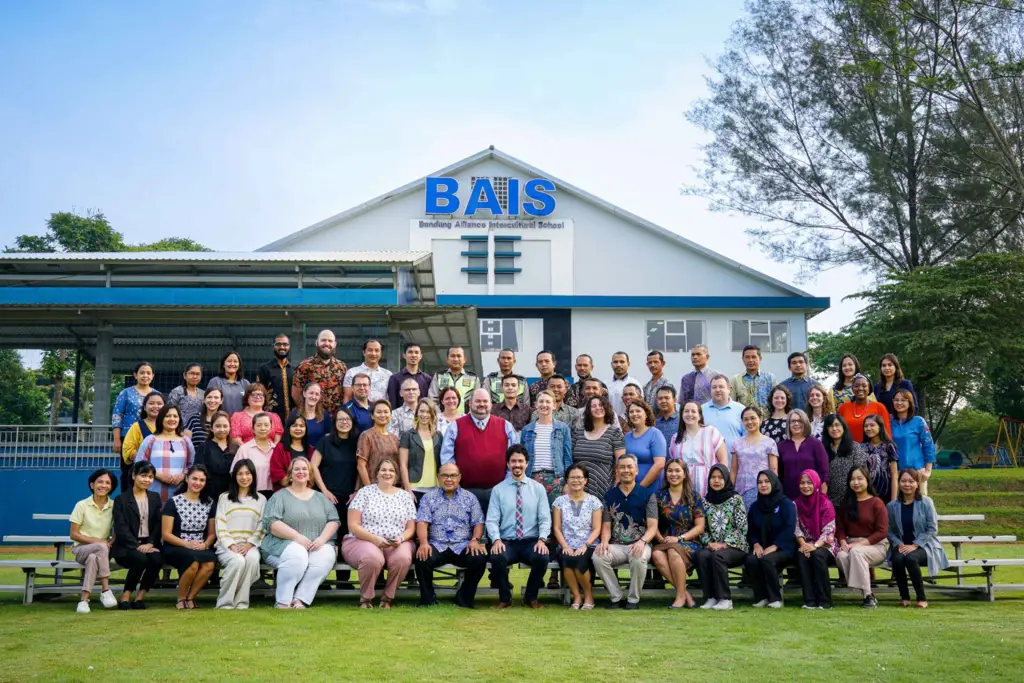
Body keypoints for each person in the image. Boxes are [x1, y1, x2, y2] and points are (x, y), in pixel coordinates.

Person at [261, 456, 340, 608]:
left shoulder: (321, 498)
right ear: (290, 474)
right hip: (282, 544)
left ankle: (301, 599)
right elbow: (272, 523)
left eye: (304, 469)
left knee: (325, 557)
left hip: (316, 543)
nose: (301, 472)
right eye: (297, 469)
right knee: (298, 556)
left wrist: (322, 539)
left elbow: (334, 520)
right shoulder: (280, 496)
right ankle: (283, 601)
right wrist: (297, 537)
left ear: (310, 474)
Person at [343, 458, 417, 608]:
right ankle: (366, 598)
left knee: (402, 558)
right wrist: (374, 539)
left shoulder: (405, 496)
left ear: (396, 475)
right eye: (383, 470)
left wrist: (401, 538)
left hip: (396, 542)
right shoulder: (365, 493)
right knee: (372, 558)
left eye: (391, 470)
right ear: (376, 474)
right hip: (363, 540)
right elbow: (353, 525)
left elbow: (411, 528)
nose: (387, 473)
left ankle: (387, 597)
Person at [485, 445, 552, 609]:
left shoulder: (538, 489)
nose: (517, 465)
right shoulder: (498, 490)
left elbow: (545, 517)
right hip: (507, 541)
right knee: (497, 556)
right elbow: (492, 519)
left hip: (531, 541)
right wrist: (496, 540)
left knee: (542, 557)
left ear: (527, 463)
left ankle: (530, 597)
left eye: (521, 461)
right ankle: (505, 599)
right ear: (508, 464)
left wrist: (542, 539)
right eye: (513, 461)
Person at [414, 462, 488, 608]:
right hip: (437, 544)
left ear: (459, 477)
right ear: (438, 477)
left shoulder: (470, 498)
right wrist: (423, 543)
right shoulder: (429, 498)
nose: (449, 479)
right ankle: (428, 600)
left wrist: (475, 540)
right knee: (422, 558)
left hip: (462, 545)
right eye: (445, 475)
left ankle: (464, 598)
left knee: (479, 558)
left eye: (453, 475)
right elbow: (422, 522)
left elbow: (478, 522)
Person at [593, 454, 657, 610]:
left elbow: (653, 526)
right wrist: (604, 542)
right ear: (617, 471)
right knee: (598, 556)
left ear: (636, 470)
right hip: (617, 545)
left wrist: (642, 542)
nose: (626, 470)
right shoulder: (610, 495)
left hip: (640, 543)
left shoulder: (647, 495)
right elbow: (607, 525)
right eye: (622, 467)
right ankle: (616, 597)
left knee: (638, 558)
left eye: (629, 467)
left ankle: (633, 600)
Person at [439, 388, 518, 512]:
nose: (482, 404)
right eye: (478, 401)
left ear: (491, 404)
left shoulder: (505, 426)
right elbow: (447, 459)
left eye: (485, 401)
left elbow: (514, 458)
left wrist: (507, 484)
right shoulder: (455, 426)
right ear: (470, 403)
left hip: (498, 491)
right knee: (467, 530)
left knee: (495, 529)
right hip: (465, 492)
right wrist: (455, 484)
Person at [310, 406, 360, 588]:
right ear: (335, 423)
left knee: (346, 538)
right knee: (325, 538)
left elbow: (360, 469)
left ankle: (343, 581)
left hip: (349, 498)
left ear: (352, 422)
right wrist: (324, 491)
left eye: (347, 419)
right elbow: (313, 465)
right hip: (327, 497)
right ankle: (321, 579)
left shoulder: (357, 442)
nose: (344, 422)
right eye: (340, 420)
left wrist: (356, 491)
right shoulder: (326, 441)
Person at [887, 469, 949, 608]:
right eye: (903, 481)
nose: (907, 484)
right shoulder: (892, 506)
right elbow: (889, 530)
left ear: (917, 484)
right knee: (897, 559)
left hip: (925, 546)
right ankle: (904, 597)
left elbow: (932, 528)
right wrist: (898, 544)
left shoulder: (926, 502)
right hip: (901, 545)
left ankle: (921, 598)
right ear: (898, 483)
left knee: (910, 558)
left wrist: (915, 545)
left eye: (911, 481)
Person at [161, 465, 217, 610]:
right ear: (186, 479)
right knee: (192, 562)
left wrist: (205, 545)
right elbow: (166, 534)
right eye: (194, 478)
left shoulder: (209, 503)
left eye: (202, 480)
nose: (197, 483)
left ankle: (191, 597)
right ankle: (181, 598)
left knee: (209, 564)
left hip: (200, 545)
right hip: (176, 544)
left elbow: (212, 533)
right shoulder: (173, 502)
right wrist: (187, 544)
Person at [651, 459, 706, 609]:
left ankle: (680, 597)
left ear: (684, 475)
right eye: (670, 471)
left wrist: (680, 538)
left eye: (677, 471)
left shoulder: (694, 497)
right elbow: (652, 524)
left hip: (689, 542)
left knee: (673, 550)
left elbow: (700, 527)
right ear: (666, 474)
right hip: (664, 541)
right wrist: (661, 539)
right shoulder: (657, 496)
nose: (673, 474)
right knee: (657, 554)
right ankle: (685, 593)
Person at [214, 459, 266, 609]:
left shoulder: (261, 499)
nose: (244, 477)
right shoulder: (225, 498)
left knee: (252, 559)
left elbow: (262, 526)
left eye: (247, 473)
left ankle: (242, 602)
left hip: (250, 545)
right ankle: (225, 602)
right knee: (237, 561)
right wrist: (231, 545)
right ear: (234, 477)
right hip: (227, 545)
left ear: (253, 476)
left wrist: (250, 544)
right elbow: (220, 524)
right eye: (240, 474)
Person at [695, 464, 748, 610]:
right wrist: (709, 543)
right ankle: (710, 597)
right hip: (713, 546)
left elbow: (741, 528)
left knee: (717, 557)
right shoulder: (705, 501)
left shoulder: (736, 499)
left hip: (735, 547)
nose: (716, 481)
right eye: (713, 477)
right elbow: (702, 529)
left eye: (720, 477)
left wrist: (724, 544)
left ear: (726, 479)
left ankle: (725, 599)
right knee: (701, 556)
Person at [111, 461, 163, 609]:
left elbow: (158, 523)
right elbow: (121, 527)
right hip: (126, 546)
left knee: (156, 559)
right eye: (143, 475)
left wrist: (151, 543)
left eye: (151, 477)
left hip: (149, 544)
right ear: (134, 475)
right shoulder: (121, 499)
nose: (147, 480)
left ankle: (139, 598)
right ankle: (126, 595)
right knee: (140, 559)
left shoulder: (155, 497)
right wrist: (137, 546)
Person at [836, 466, 889, 608]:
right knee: (841, 556)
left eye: (860, 478)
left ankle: (868, 596)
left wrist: (859, 544)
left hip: (875, 546)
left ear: (867, 480)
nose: (856, 482)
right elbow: (839, 527)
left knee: (856, 552)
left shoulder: (877, 502)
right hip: (850, 544)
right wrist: (842, 542)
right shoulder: (846, 503)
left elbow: (882, 531)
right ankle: (864, 591)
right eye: (852, 479)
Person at [552, 463, 603, 610]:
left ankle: (588, 595)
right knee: (567, 558)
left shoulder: (594, 501)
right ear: (567, 480)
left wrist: (585, 545)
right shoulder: (559, 502)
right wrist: (565, 546)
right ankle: (577, 596)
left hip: (588, 543)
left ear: (585, 480)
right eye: (572, 477)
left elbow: (597, 528)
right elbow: (557, 528)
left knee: (580, 560)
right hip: (566, 543)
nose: (576, 480)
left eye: (579, 477)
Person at [744, 470, 796, 608]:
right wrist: (755, 544)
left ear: (773, 483)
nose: (763, 485)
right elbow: (750, 529)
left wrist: (775, 546)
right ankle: (761, 597)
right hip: (762, 546)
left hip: (784, 548)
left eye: (767, 481)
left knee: (768, 560)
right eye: (760, 482)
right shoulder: (755, 506)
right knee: (752, 559)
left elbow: (789, 528)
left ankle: (775, 599)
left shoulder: (786, 504)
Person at [70, 469, 119, 613]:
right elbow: (74, 534)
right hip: (81, 549)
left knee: (93, 558)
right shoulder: (82, 505)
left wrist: (112, 540)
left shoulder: (114, 506)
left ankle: (84, 601)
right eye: (100, 482)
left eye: (107, 483)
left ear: (112, 487)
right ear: (92, 485)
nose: (103, 485)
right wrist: (98, 541)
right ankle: (106, 590)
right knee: (100, 548)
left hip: (99, 552)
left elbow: (119, 528)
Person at [794, 469, 838, 610]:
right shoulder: (795, 504)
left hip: (826, 545)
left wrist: (816, 545)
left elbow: (829, 530)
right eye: (802, 483)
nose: (805, 486)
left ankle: (825, 601)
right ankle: (810, 600)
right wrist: (803, 544)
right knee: (802, 556)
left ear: (816, 483)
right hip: (806, 544)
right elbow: (795, 528)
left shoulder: (826, 503)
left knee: (817, 555)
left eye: (809, 482)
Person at [136, 405, 195, 505]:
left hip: (180, 492)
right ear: (161, 418)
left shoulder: (186, 441)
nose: (172, 419)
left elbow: (192, 465)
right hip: (153, 492)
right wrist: (158, 475)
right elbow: (139, 464)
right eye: (167, 416)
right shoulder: (150, 440)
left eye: (175, 416)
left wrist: (183, 475)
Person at [521, 391, 573, 503]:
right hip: (532, 478)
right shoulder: (527, 430)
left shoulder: (563, 429)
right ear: (536, 405)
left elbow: (567, 458)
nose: (544, 405)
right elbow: (522, 457)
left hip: (556, 479)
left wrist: (568, 482)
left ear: (554, 405)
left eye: (548, 402)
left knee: (555, 515)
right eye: (541, 401)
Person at [667, 401, 726, 498]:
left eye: (693, 411)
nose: (689, 414)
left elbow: (723, 461)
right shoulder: (676, 438)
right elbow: (674, 463)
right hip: (684, 485)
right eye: (686, 411)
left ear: (699, 416)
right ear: (681, 415)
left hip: (708, 483)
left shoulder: (711, 432)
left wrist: (719, 480)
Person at [112, 361, 156, 489]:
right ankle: (127, 501)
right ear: (135, 375)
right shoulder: (125, 393)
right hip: (128, 438)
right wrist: (116, 439)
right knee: (128, 472)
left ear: (153, 376)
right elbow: (117, 415)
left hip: (151, 438)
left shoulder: (156, 394)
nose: (145, 376)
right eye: (142, 373)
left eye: (148, 373)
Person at [572, 396, 626, 498]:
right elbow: (570, 459)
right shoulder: (578, 432)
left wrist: (618, 483)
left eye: (601, 405)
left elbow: (621, 461)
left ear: (607, 408)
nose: (598, 408)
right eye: (593, 406)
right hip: (578, 486)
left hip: (604, 486)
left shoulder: (615, 432)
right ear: (588, 410)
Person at [730, 406, 779, 508]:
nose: (749, 422)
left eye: (753, 418)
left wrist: (774, 491)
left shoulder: (770, 443)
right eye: (746, 419)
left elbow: (773, 470)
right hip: (741, 490)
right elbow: (734, 469)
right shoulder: (736, 443)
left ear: (760, 419)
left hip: (763, 488)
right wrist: (730, 490)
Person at [292, 329, 348, 416]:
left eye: (330, 341)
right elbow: (296, 395)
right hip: (313, 418)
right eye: (323, 340)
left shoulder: (342, 367)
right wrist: (308, 414)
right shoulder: (304, 366)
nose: (327, 343)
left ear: (335, 344)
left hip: (336, 419)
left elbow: (346, 394)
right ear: (316, 342)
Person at [777, 409, 829, 501]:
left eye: (799, 421)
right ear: (788, 424)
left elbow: (824, 472)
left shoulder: (816, 444)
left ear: (805, 423)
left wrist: (822, 497)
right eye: (793, 421)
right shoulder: (781, 446)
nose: (796, 424)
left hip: (812, 497)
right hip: (789, 498)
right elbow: (779, 474)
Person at [891, 390, 936, 495]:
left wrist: (928, 470)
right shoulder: (888, 420)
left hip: (917, 471)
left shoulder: (918, 421)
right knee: (896, 506)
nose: (899, 403)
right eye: (896, 400)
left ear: (910, 402)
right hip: (894, 472)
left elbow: (928, 445)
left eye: (903, 400)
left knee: (921, 503)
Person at [119, 391, 164, 493]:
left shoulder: (170, 427)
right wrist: (149, 464)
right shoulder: (137, 426)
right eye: (151, 403)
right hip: (143, 476)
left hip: (165, 477)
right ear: (144, 407)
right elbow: (128, 450)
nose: (155, 406)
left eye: (159, 403)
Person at [823, 413, 869, 509]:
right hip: (830, 501)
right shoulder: (822, 449)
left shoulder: (854, 447)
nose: (834, 429)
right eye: (830, 426)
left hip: (852, 499)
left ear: (844, 427)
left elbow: (862, 472)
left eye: (837, 425)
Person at [399, 399, 443, 497]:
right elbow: (403, 465)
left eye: (428, 412)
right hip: (414, 487)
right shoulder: (407, 435)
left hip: (435, 487)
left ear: (432, 414)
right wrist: (407, 489)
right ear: (417, 413)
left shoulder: (438, 436)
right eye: (422, 411)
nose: (424, 415)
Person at [232, 412, 278, 498]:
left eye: (266, 425)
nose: (263, 428)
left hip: (273, 495)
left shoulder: (276, 450)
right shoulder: (244, 449)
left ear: (271, 428)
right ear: (253, 429)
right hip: (250, 494)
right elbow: (234, 473)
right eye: (259, 425)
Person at [356, 400, 400, 487]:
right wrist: (369, 489)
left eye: (386, 412)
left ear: (390, 415)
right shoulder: (367, 435)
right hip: (372, 486)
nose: (382, 415)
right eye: (379, 412)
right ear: (372, 415)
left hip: (391, 487)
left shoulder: (394, 438)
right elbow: (361, 466)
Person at [624, 399, 667, 488]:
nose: (634, 414)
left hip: (650, 486)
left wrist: (640, 487)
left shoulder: (655, 434)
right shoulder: (627, 437)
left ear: (646, 414)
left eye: (638, 411)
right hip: (630, 487)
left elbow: (659, 464)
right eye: (631, 412)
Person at [195, 411, 235, 503]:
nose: (221, 429)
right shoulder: (204, 447)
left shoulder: (236, 448)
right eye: (218, 426)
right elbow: (199, 471)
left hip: (231, 495)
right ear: (212, 428)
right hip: (209, 494)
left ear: (230, 428)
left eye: (225, 426)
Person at [838, 374, 892, 442]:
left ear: (869, 389)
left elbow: (887, 433)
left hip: (872, 450)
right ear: (852, 389)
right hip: (848, 449)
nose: (860, 388)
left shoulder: (879, 407)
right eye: (856, 386)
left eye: (864, 386)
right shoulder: (843, 408)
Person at [256, 333, 295, 422]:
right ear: (273, 347)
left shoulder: (294, 369)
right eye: (278, 344)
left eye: (285, 344)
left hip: (293, 417)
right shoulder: (265, 368)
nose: (282, 347)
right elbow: (259, 392)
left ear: (289, 347)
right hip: (271, 417)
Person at [428, 346, 479, 413]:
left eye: (458, 356)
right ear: (447, 359)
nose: (455, 359)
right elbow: (432, 399)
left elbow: (477, 401)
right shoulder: (439, 376)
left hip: (466, 420)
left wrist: (469, 418)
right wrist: (441, 416)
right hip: (442, 421)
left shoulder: (473, 378)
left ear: (464, 359)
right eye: (452, 356)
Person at [270, 413, 312, 492]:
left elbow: (313, 475)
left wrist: (304, 491)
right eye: (294, 425)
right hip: (287, 493)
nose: (298, 428)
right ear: (288, 428)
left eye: (302, 426)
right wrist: (298, 489)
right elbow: (277, 473)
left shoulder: (311, 450)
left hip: (307, 493)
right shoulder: (280, 448)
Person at [862, 414, 899, 502]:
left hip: (885, 491)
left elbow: (894, 474)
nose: (868, 428)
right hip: (865, 491)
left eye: (872, 425)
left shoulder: (889, 446)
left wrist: (893, 500)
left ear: (880, 426)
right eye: (866, 426)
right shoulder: (861, 447)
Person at [702, 374, 746, 446]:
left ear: (729, 389)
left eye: (721, 387)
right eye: (714, 387)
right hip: (708, 456)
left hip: (734, 456)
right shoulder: (701, 409)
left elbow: (747, 436)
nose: (717, 390)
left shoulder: (741, 409)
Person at [343, 339, 392, 403]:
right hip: (357, 412)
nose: (373, 353)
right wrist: (346, 412)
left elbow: (391, 399)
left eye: (377, 350)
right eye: (370, 350)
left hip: (381, 412)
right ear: (364, 352)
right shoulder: (352, 372)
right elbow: (347, 397)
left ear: (381, 354)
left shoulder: (388, 375)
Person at [730, 345, 777, 413]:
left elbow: (777, 401)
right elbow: (732, 404)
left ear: (760, 358)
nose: (750, 360)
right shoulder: (736, 380)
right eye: (747, 357)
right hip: (744, 421)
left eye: (754, 357)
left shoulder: (770, 378)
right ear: (743, 359)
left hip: (767, 421)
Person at [386, 342, 432, 409]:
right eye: (410, 352)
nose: (413, 355)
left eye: (416, 352)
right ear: (404, 355)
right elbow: (393, 402)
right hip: (400, 417)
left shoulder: (427, 379)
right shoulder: (395, 378)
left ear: (420, 356)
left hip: (422, 417)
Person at [289, 382, 330, 451]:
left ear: (319, 397)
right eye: (311, 393)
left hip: (319, 455)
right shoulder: (294, 415)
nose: (313, 397)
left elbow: (328, 438)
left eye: (317, 394)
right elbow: (288, 438)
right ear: (304, 394)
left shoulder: (324, 416)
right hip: (299, 455)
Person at [207, 351, 249, 416]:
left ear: (239, 365)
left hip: (240, 423)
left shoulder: (245, 383)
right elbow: (210, 404)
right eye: (229, 361)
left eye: (235, 361)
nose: (232, 364)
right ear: (223, 364)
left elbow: (249, 404)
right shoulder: (215, 382)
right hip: (221, 422)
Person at [607, 351, 641, 416]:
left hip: (630, 422)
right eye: (615, 362)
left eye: (622, 362)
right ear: (611, 364)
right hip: (610, 423)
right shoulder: (605, 384)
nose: (618, 364)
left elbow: (641, 406)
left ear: (628, 364)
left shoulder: (635, 384)